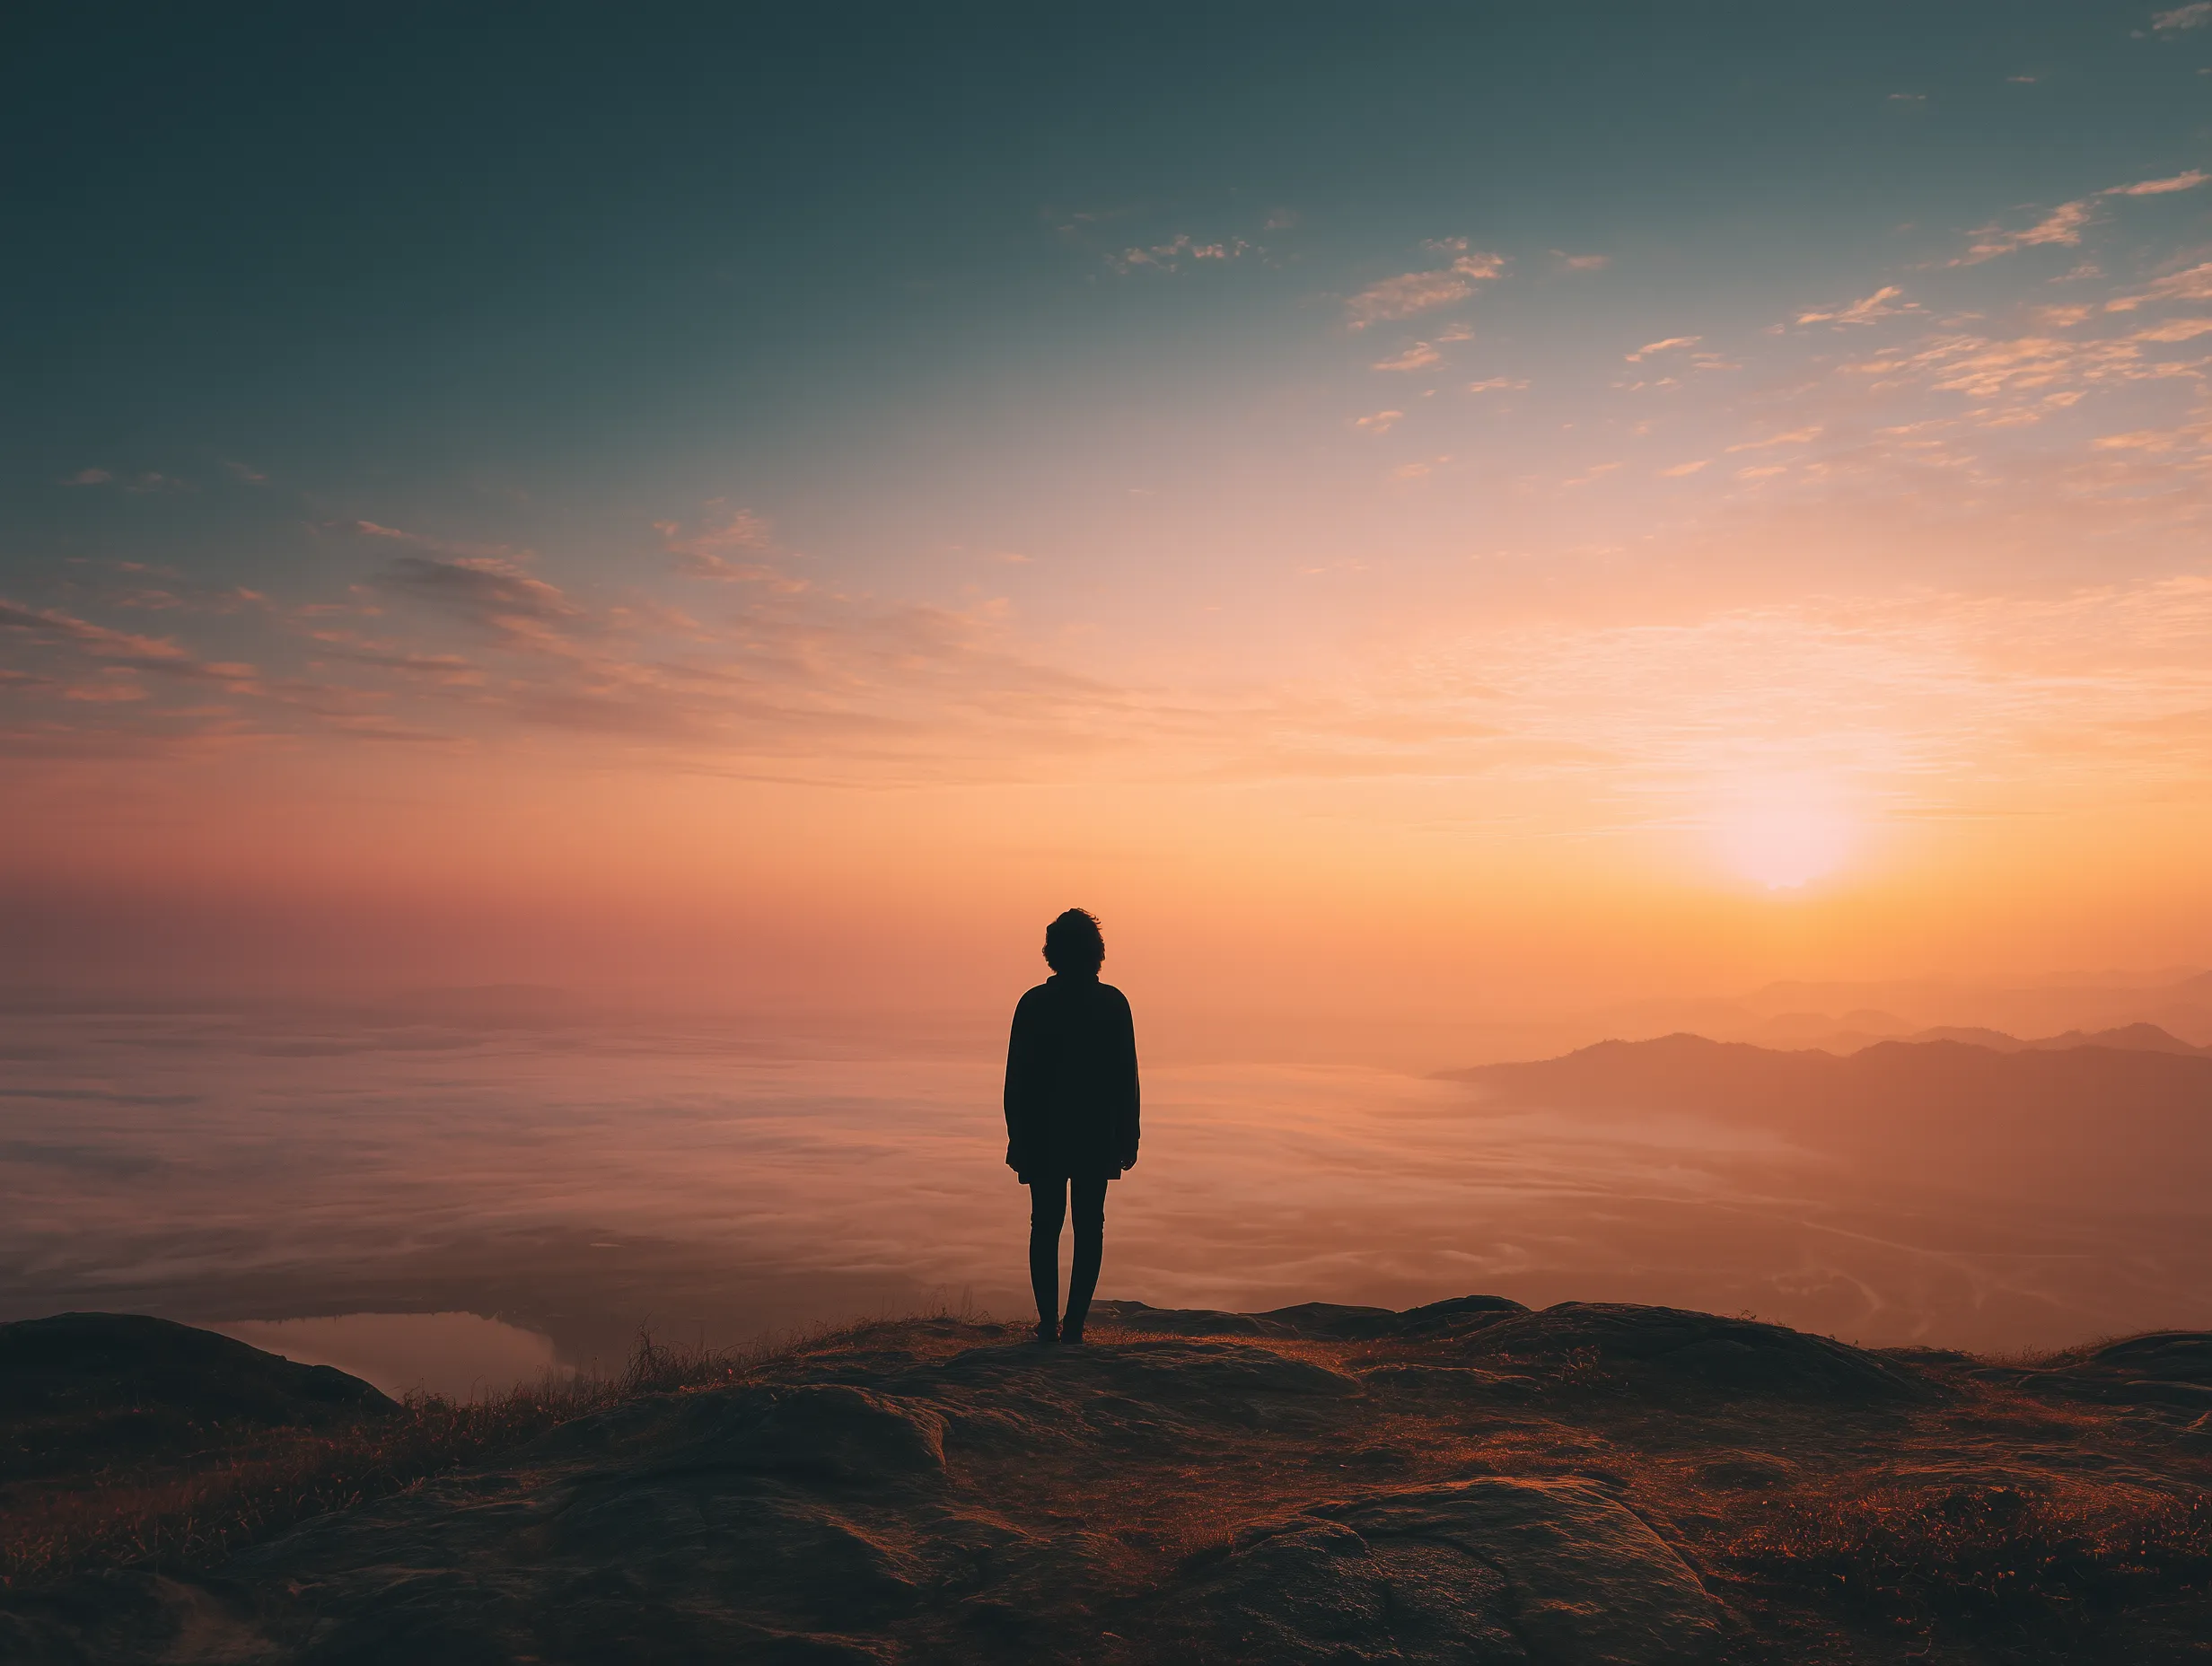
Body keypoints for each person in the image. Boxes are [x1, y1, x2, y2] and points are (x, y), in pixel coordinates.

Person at [1003, 908, 1139, 1345]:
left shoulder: (1033, 1004)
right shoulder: (1112, 1003)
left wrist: (1017, 1138)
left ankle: (1049, 1324)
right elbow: (1127, 1077)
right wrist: (1129, 1134)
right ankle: (1074, 1326)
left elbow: (1016, 1081)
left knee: (1044, 1225)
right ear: (1096, 953)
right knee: (1089, 1225)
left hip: (1043, 1134)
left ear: (1052, 953)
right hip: (1096, 1133)